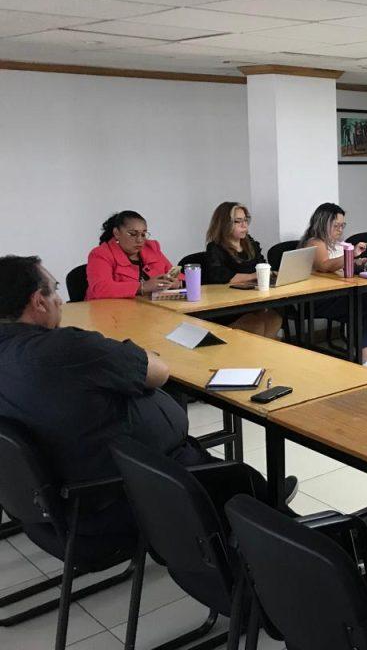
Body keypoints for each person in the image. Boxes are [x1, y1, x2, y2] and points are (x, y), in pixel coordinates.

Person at [0, 255, 297, 556]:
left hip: (61, 498)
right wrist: (129, 353)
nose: (61, 301)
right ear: (38, 301)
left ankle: (268, 514)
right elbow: (158, 372)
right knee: (240, 479)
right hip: (121, 494)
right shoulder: (67, 348)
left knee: (217, 466)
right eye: (54, 290)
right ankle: (288, 549)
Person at [301, 203, 367, 372]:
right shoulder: (315, 242)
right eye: (336, 226)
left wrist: (356, 262)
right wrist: (351, 254)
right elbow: (325, 266)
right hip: (319, 298)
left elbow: (339, 266)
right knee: (361, 302)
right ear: (323, 223)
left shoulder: (337, 243)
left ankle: (365, 351)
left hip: (338, 293)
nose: (340, 229)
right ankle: (364, 356)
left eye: (343, 225)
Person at [204, 202, 283, 338]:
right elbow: (221, 276)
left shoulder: (250, 243)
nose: (244, 225)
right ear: (224, 224)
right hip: (229, 305)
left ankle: (262, 351)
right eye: (238, 221)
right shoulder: (215, 248)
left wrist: (270, 273)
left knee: (274, 319)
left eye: (246, 220)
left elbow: (261, 264)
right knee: (255, 325)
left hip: (253, 299)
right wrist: (254, 275)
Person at [86, 210, 181, 299]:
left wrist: (177, 283)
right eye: (133, 234)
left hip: (150, 307)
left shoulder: (151, 248)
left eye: (143, 234)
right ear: (116, 233)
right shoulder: (101, 254)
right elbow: (100, 288)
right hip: (110, 309)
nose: (140, 240)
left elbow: (176, 275)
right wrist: (142, 287)